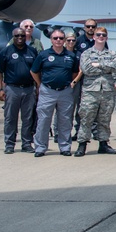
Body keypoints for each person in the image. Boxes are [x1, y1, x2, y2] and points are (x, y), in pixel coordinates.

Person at [30, 29, 80, 157]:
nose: (58, 40)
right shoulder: (44, 55)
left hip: (65, 91)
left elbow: (75, 72)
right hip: (47, 91)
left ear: (64, 40)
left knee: (65, 120)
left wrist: (70, 83)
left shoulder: (70, 56)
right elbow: (34, 71)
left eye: (61, 38)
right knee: (44, 120)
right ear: (51, 40)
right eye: (55, 38)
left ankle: (65, 147)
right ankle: (40, 148)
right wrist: (40, 84)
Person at [74, 27, 116, 156]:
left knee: (104, 119)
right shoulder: (86, 54)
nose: (101, 37)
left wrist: (99, 65)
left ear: (106, 37)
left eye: (103, 35)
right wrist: (106, 67)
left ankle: (103, 144)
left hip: (107, 92)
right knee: (86, 118)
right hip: (90, 92)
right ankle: (82, 145)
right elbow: (87, 69)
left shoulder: (112, 54)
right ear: (93, 37)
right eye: (98, 35)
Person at [0, 27, 38, 154]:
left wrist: (38, 88)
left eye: (22, 36)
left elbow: (36, 72)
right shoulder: (5, 52)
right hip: (12, 89)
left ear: (26, 37)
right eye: (17, 36)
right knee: (10, 118)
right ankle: (9, 144)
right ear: (13, 37)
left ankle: (26, 143)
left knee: (28, 118)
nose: (20, 38)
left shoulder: (32, 51)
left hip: (29, 89)